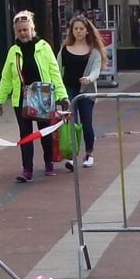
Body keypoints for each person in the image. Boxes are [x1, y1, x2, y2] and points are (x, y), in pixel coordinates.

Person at [0, 10, 68, 182]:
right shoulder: (13, 51)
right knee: (25, 135)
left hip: (43, 96)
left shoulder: (44, 47)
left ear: (32, 29)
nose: (23, 33)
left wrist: (62, 97)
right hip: (21, 98)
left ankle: (48, 162)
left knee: (45, 132)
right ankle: (27, 169)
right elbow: (6, 77)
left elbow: (55, 72)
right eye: (19, 31)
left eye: (25, 30)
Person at [60, 15, 104, 171]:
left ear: (87, 31)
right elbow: (57, 69)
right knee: (72, 122)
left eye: (81, 29)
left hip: (87, 92)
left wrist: (89, 78)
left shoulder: (94, 52)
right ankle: (72, 156)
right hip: (69, 89)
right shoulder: (65, 49)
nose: (78, 31)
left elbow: (96, 70)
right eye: (75, 29)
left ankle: (89, 154)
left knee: (87, 123)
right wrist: (58, 90)